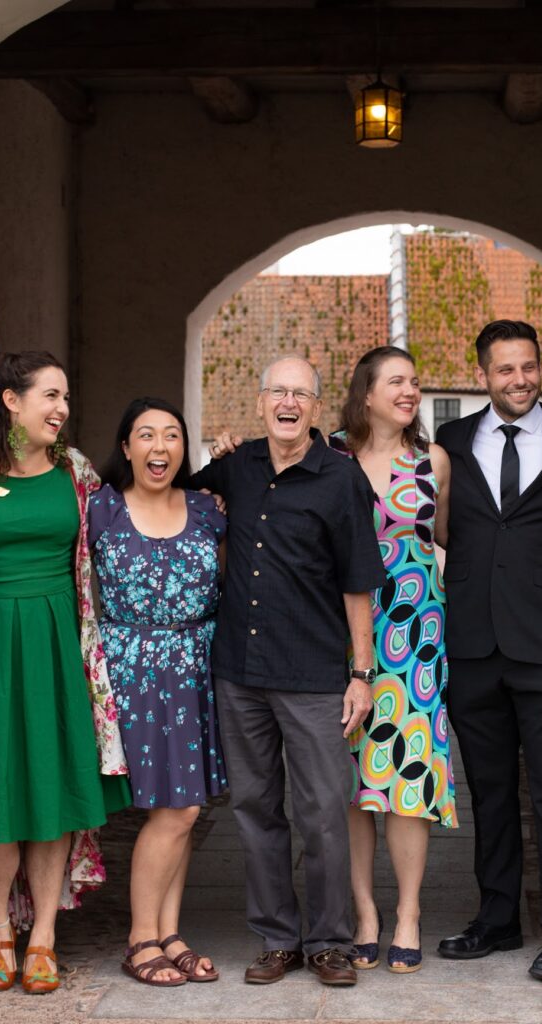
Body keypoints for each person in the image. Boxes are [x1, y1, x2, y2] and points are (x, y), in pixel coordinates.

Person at [0, 351, 131, 993]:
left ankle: (43, 934)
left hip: (57, 644)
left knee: (50, 783)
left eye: (66, 397)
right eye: (50, 395)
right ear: (11, 401)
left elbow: (132, 521)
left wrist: (210, 490)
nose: (62, 409)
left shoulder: (75, 473)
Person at [192, 356, 384, 987]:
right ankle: (278, 938)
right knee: (254, 808)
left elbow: (360, 582)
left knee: (325, 810)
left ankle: (329, 940)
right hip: (240, 671)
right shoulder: (235, 466)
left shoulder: (341, 478)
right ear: (259, 400)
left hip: (314, 673)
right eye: (278, 390)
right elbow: (169, 497)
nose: (289, 402)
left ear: (316, 408)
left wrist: (362, 672)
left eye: (301, 393)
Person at [435, 319, 542, 984]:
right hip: (473, 644)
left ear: (541, 366)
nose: (520, 379)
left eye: (528, 366)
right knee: (492, 793)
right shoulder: (450, 442)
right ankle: (498, 918)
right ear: (484, 374)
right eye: (505, 369)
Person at [88, 397, 227, 987]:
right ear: (126, 447)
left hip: (195, 665)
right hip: (133, 668)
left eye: (172, 436)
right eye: (146, 435)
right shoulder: (98, 508)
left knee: (186, 808)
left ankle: (169, 932)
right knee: (173, 810)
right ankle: (140, 937)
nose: (160, 447)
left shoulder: (208, 508)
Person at [329, 346, 455, 974]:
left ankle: (407, 911)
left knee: (408, 776)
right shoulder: (331, 459)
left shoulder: (432, 461)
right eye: (396, 382)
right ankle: (363, 912)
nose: (409, 391)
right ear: (367, 393)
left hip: (415, 635)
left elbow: (445, 540)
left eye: (414, 382)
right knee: (354, 783)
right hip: (338, 632)